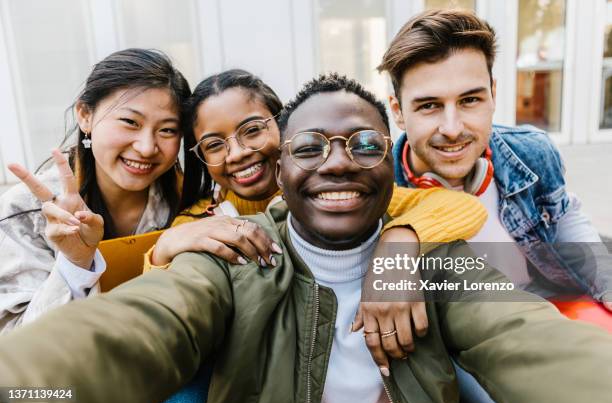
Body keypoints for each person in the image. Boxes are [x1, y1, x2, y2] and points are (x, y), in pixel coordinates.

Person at [1, 74, 611, 403]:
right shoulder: (225, 244)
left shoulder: (428, 243)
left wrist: (399, 250)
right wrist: (22, 387)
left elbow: (526, 335)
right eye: (313, 147)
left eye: (366, 145)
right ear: (287, 164)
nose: (338, 163)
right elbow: (141, 328)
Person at [143, 69, 487, 373]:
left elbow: (460, 206)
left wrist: (398, 244)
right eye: (214, 145)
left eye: (251, 130)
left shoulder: (339, 196)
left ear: (286, 126)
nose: (237, 153)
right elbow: (169, 306)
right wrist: (162, 251)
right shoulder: (200, 219)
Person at [378, 9, 612, 310]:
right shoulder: (378, 189)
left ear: (493, 94)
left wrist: (606, 281)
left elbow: (565, 217)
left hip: (543, 303)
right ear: (397, 111)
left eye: (470, 100)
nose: (452, 129)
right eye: (429, 105)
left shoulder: (532, 152)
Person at [0, 48, 190, 333]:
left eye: (167, 130)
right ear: (85, 115)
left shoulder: (188, 200)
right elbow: (16, 343)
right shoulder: (26, 209)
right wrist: (75, 263)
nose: (147, 147)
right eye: (130, 122)